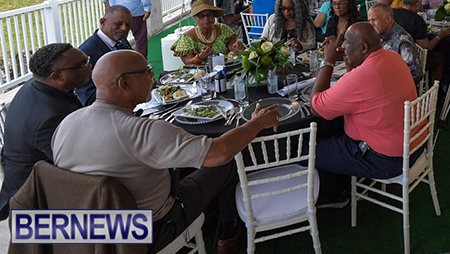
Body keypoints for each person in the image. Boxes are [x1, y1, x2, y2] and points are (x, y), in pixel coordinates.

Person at [52, 50, 282, 253]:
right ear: (125, 83)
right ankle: (229, 235)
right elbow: (219, 152)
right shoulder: (143, 131)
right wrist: (256, 123)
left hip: (85, 228)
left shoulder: (67, 123)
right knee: (227, 162)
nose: (153, 77)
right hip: (148, 230)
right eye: (148, 71)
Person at [309, 23, 418, 206]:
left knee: (309, 150)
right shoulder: (392, 57)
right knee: (333, 133)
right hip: (412, 145)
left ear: (363, 47)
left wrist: (327, 61)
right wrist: (346, 57)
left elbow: (316, 107)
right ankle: (340, 183)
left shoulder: (361, 78)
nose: (341, 46)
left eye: (346, 43)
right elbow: (357, 81)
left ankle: (335, 194)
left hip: (387, 161)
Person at [0, 43, 90, 220]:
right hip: (36, 203)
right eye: (82, 65)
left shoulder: (36, 86)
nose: (89, 66)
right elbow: (80, 164)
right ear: (57, 76)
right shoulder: (49, 116)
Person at [75, 5, 133, 106]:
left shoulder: (121, 40)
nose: (124, 28)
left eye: (128, 25)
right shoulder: (86, 53)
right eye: (118, 24)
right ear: (103, 22)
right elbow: (88, 97)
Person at [172, 0, 245, 65]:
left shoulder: (223, 29)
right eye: (201, 16)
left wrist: (237, 48)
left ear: (213, 15)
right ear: (195, 18)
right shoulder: (187, 38)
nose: (206, 18)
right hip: (198, 74)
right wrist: (200, 57)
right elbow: (187, 62)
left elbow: (232, 48)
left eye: (209, 14)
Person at [368, 3, 423, 83]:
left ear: (388, 19)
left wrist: (389, 83)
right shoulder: (379, 35)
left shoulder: (402, 40)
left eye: (374, 19)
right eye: (369, 20)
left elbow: (415, 74)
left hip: (397, 89)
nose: (371, 24)